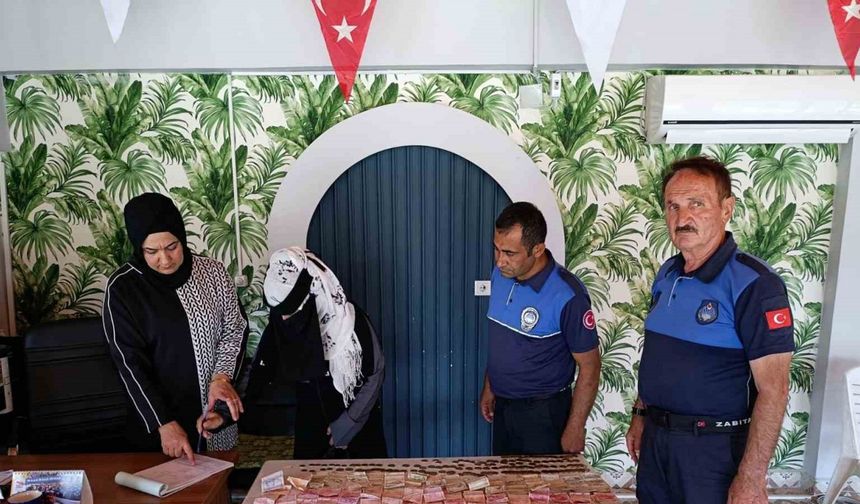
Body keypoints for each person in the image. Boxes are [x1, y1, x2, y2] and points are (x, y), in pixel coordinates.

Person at [625, 157, 795, 503]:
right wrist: (641, 414)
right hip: (657, 443)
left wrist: (752, 477)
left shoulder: (755, 285)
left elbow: (774, 390)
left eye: (696, 204)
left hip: (713, 453)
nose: (682, 218)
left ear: (726, 209)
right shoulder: (667, 274)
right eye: (673, 206)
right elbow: (659, 357)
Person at [102, 193, 248, 463]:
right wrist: (163, 422)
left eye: (172, 247)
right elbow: (129, 364)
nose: (165, 259)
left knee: (218, 481)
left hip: (214, 414)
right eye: (152, 251)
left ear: (182, 237)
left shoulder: (213, 273)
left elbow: (234, 330)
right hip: (159, 423)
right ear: (138, 247)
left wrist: (221, 380)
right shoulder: (123, 288)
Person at [480, 202, 601, 455]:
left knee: (543, 481)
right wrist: (490, 387)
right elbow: (503, 341)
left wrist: (575, 427)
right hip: (504, 406)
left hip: (544, 415)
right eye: (496, 249)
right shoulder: (500, 276)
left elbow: (590, 366)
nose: (500, 261)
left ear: (537, 249)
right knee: (504, 479)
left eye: (509, 253)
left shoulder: (568, 295)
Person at [246, 247, 387, 458]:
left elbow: (376, 373)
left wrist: (348, 423)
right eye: (280, 312)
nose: (284, 320)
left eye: (291, 311)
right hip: (310, 425)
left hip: (357, 423)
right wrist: (224, 413)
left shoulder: (350, 323)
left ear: (311, 295)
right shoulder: (281, 322)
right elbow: (259, 372)